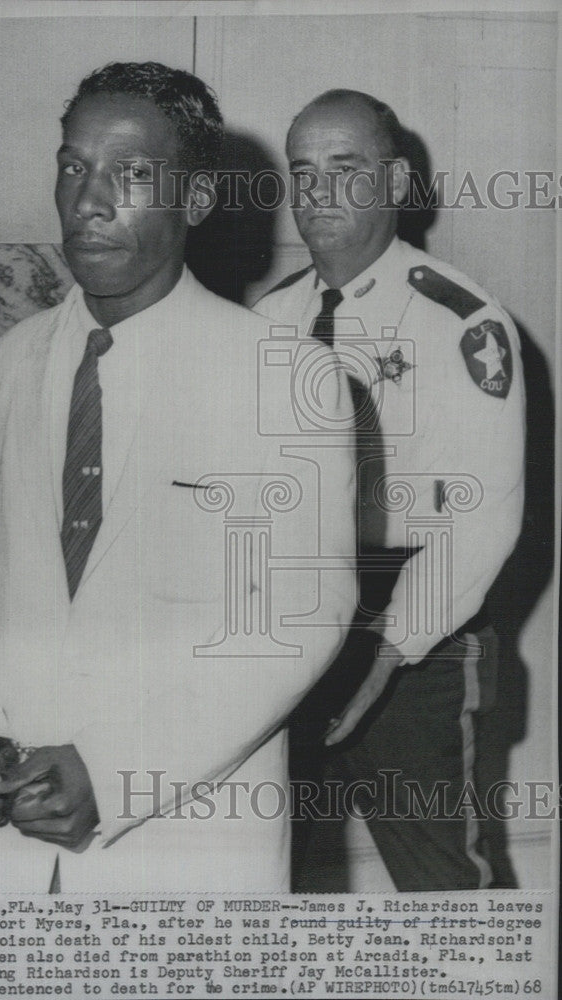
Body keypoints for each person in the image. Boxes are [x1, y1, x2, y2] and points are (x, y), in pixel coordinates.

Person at [0, 63, 356, 892]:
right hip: (1, 855)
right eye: (74, 166)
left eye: (132, 174)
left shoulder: (282, 375)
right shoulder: (6, 367)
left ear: (195, 201)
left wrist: (119, 772)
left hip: (187, 835)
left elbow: (300, 616)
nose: (89, 200)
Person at [254, 89, 525, 891]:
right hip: (293, 628)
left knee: (444, 887)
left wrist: (386, 650)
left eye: (347, 169)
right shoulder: (268, 320)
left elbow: (483, 519)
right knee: (277, 876)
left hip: (418, 637)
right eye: (303, 173)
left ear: (399, 182)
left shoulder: (460, 322)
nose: (319, 195)